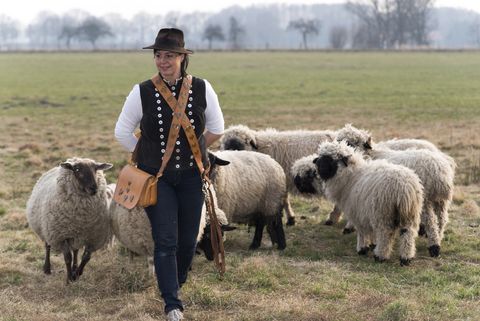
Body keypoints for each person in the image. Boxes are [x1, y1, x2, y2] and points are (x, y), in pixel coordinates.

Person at [114, 28, 224, 321]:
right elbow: (122, 131)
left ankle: (174, 283)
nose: (163, 61)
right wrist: (149, 153)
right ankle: (172, 303)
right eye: (158, 55)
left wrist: (194, 151)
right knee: (166, 240)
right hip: (157, 180)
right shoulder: (142, 91)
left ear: (182, 57)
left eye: (169, 55)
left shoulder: (202, 88)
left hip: (190, 177)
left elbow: (216, 128)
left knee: (188, 241)